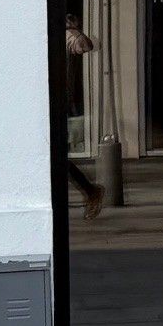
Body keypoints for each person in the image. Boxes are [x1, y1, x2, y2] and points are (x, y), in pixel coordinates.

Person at [65, 16, 104, 219]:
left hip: (56, 104)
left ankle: (91, 191)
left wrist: (73, 31)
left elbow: (84, 45)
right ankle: (90, 191)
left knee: (55, 157)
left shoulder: (65, 35)